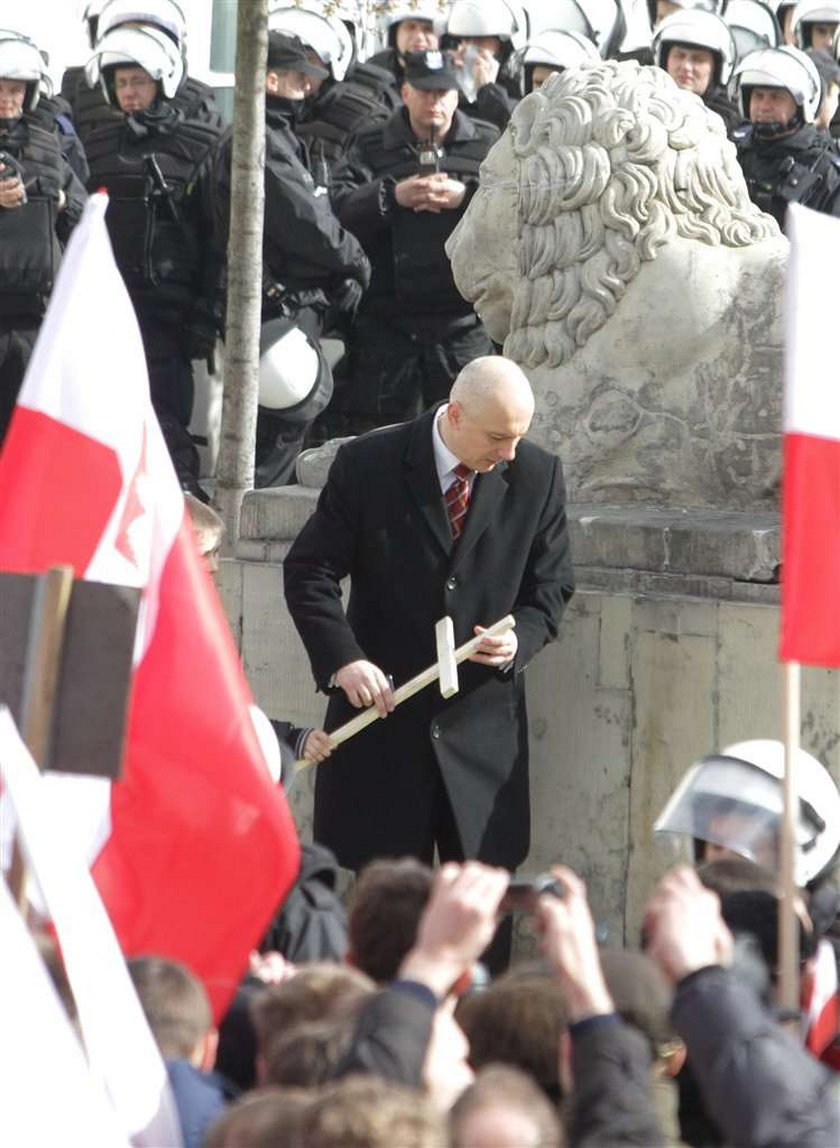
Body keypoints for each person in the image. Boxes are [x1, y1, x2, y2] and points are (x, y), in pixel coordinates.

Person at [283, 356, 574, 887]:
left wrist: (518, 641)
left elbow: (551, 588)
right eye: (496, 437)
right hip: (387, 730)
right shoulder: (368, 463)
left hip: (484, 739)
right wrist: (344, 660)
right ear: (456, 415)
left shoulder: (538, 474)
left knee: (483, 924)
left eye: (517, 437)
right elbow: (310, 570)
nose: (508, 453)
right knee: (389, 924)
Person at [215, 31, 370, 488]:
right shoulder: (260, 141)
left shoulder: (278, 136)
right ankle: (246, 535)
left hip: (288, 300)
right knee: (281, 421)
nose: (307, 86)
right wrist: (354, 259)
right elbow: (304, 222)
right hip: (273, 303)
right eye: (297, 77)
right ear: (268, 78)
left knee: (285, 420)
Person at [326, 50, 499, 438]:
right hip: (388, 321)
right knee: (383, 437)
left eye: (443, 92)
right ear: (405, 93)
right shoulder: (370, 143)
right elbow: (337, 208)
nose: (434, 101)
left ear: (458, 96)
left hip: (462, 322)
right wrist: (391, 196)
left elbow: (515, 209)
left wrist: (466, 197)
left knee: (467, 433)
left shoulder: (487, 142)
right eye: (424, 91)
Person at [84, 23, 224, 499]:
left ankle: (179, 501)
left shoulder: (201, 145)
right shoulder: (97, 147)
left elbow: (218, 238)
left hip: (173, 313)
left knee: (167, 417)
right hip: (111, 308)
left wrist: (207, 312)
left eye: (138, 81)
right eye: (121, 82)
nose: (129, 92)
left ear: (162, 80)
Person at [0, 29, 86, 446]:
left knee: (28, 438)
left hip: (35, 318)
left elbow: (86, 217)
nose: (6, 100)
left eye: (15, 90)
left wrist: (62, 200)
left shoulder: (48, 145)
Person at [732, 45, 840, 227]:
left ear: (801, 105)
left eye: (776, 97)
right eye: (758, 96)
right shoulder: (731, 152)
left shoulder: (825, 172)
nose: (764, 106)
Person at [652, 8, 742, 134]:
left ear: (718, 70)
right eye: (679, 55)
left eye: (698, 59)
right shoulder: (641, 107)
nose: (686, 67)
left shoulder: (732, 128)